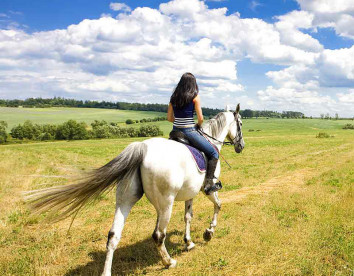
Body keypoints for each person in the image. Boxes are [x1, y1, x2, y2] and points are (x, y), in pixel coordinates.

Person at [167, 72, 220, 195]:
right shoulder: (195, 97)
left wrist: (179, 121)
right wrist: (197, 125)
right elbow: (200, 118)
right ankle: (209, 183)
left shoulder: (173, 98)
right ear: (193, 84)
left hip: (175, 132)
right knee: (213, 152)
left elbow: (169, 118)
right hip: (189, 131)